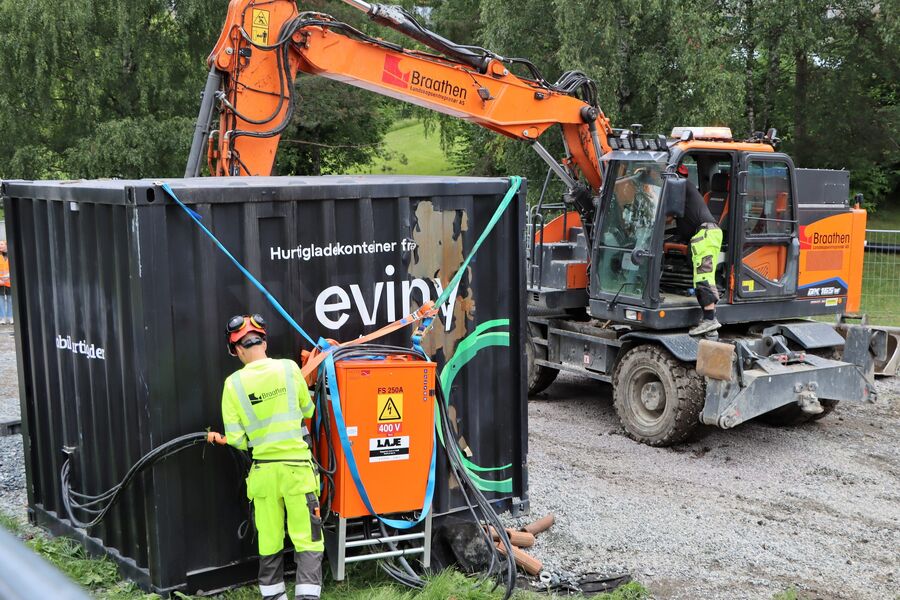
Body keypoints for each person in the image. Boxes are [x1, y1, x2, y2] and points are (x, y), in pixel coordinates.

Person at [210, 314, 323, 600]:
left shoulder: (232, 385)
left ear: (237, 350)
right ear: (264, 342)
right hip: (298, 474)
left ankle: (273, 597)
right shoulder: (289, 369)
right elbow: (309, 411)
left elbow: (237, 440)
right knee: (308, 540)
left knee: (270, 542)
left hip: (264, 477)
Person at [672, 165, 723, 335]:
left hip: (706, 234)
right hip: (703, 234)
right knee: (702, 276)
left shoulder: (681, 185)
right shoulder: (683, 191)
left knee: (703, 276)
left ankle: (710, 320)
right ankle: (709, 317)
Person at [0, 240, 11, 325]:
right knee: (1, 301)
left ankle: (11, 317)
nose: (0, 246)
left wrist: (9, 275)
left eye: (1, 244)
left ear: (6, 245)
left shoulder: (11, 255)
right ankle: (3, 318)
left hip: (10, 282)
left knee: (10, 300)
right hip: (0, 282)